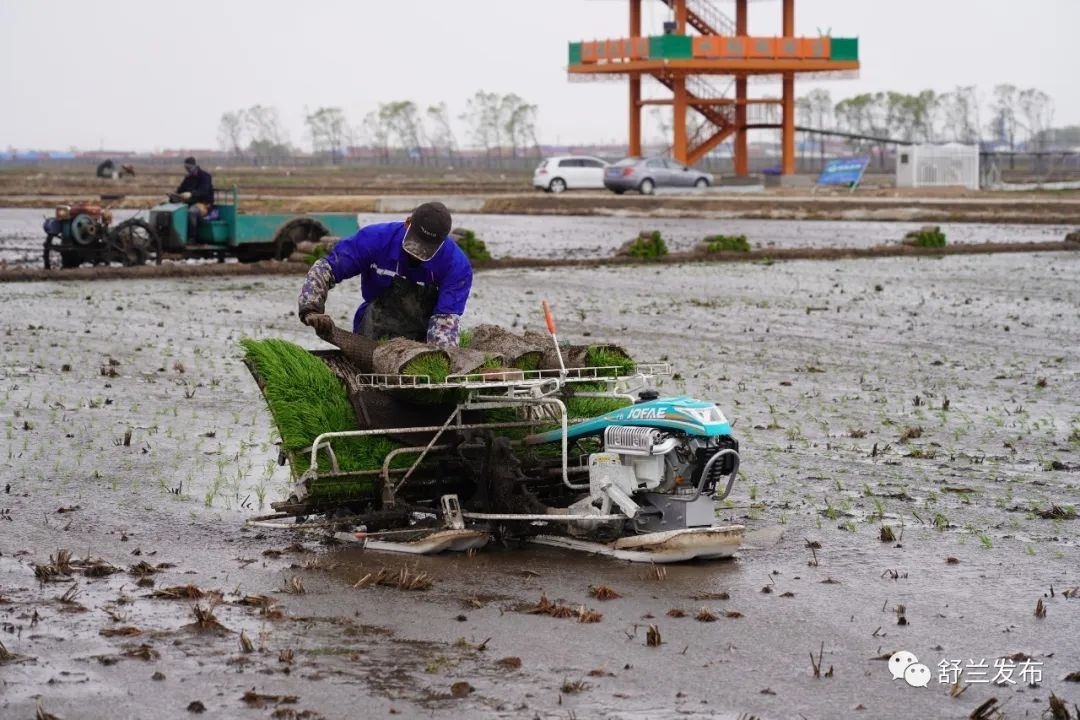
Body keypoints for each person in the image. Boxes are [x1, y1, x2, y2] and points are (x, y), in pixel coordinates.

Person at [297, 201, 472, 348]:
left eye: (427, 248)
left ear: (443, 240)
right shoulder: (374, 240)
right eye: (416, 243)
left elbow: (445, 321)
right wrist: (310, 307)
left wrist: (436, 360)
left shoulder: (456, 266)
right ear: (408, 223)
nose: (417, 253)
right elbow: (327, 268)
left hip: (421, 338)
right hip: (372, 330)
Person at [171, 156, 214, 239]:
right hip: (190, 203)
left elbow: (204, 191)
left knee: (191, 212)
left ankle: (192, 237)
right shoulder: (188, 177)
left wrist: (191, 194)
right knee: (175, 211)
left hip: (203, 204)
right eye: (185, 167)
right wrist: (173, 195)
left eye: (188, 167)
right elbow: (181, 189)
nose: (187, 169)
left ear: (194, 166)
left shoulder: (205, 176)